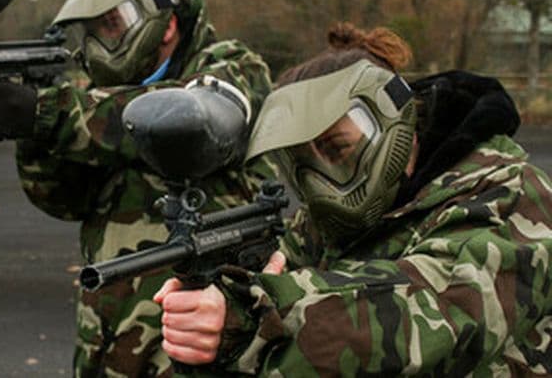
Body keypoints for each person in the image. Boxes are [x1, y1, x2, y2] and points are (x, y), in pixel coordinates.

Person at [154, 23, 552, 376]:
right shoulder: (323, 223)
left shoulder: (513, 193)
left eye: (337, 150)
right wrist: (208, 310)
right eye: (303, 163)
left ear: (396, 125)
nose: (322, 180)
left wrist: (249, 315)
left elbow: (437, 308)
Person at [0, 0, 276, 377]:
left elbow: (182, 117)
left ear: (165, 23)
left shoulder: (233, 67)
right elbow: (63, 200)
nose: (100, 42)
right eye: (93, 30)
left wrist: (48, 113)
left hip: (202, 344)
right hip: (107, 339)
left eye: (113, 25)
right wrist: (33, 135)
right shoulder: (98, 96)